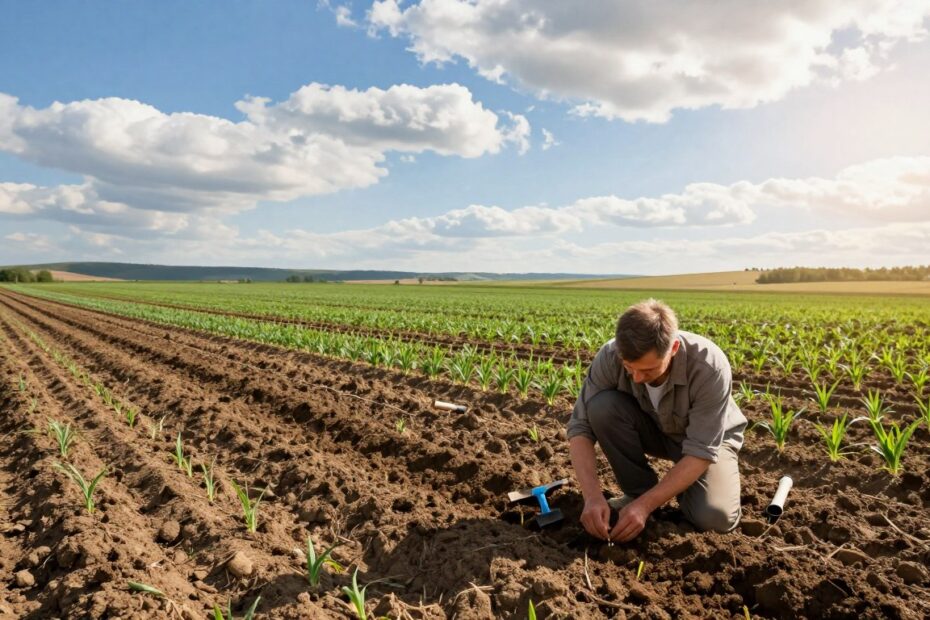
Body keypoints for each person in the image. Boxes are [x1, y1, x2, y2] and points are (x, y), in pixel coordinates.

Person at [567, 299, 746, 543]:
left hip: (708, 441)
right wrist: (592, 497)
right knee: (601, 407)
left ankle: (670, 495)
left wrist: (646, 506)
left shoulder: (708, 366)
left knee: (715, 518)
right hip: (654, 427)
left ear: (673, 349)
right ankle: (637, 492)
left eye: (649, 370)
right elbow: (580, 428)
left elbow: (702, 449)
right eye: (630, 367)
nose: (638, 378)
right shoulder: (609, 356)